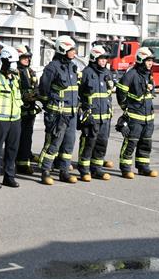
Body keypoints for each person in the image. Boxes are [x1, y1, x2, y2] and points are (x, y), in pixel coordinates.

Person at [37, 35, 80, 185]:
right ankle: (45, 171)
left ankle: (64, 171)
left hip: (71, 113)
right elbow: (43, 89)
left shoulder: (72, 66)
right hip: (58, 114)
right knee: (53, 143)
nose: (74, 52)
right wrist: (50, 106)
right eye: (71, 49)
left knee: (69, 143)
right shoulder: (52, 67)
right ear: (63, 49)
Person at [116, 47, 158, 178]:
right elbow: (120, 92)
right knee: (131, 143)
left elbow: (150, 92)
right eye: (148, 60)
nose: (150, 63)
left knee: (146, 143)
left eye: (151, 60)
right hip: (135, 117)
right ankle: (125, 169)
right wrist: (126, 108)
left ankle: (143, 167)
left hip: (148, 118)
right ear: (141, 60)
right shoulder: (131, 74)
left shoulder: (149, 75)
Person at [0, 47, 23, 189]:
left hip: (15, 119)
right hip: (0, 120)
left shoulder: (16, 79)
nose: (14, 65)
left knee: (12, 149)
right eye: (12, 62)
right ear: (6, 62)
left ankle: (9, 177)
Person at [77, 44, 114, 181]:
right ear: (94, 58)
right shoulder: (86, 73)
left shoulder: (107, 73)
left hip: (105, 117)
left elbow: (109, 94)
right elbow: (78, 94)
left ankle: (97, 169)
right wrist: (82, 112)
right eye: (101, 58)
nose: (104, 61)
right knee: (88, 143)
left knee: (102, 143)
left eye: (105, 59)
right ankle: (84, 170)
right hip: (91, 117)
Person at [14, 44, 40, 176]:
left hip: (30, 111)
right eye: (24, 57)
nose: (27, 59)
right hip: (19, 111)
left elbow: (36, 87)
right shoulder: (15, 72)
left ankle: (25, 159)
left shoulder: (31, 71)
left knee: (27, 137)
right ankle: (20, 164)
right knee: (18, 138)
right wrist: (26, 96)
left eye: (28, 57)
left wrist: (36, 95)